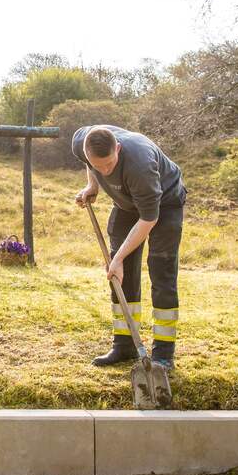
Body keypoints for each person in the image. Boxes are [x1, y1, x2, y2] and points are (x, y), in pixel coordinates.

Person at [72, 125, 185, 370]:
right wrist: (93, 186)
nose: (105, 170)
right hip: (126, 205)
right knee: (121, 277)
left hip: (163, 205)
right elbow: (90, 164)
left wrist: (119, 258)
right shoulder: (82, 141)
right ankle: (125, 345)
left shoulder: (139, 165)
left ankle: (163, 355)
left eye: (109, 164)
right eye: (98, 166)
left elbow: (148, 219)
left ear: (119, 149)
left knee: (161, 270)